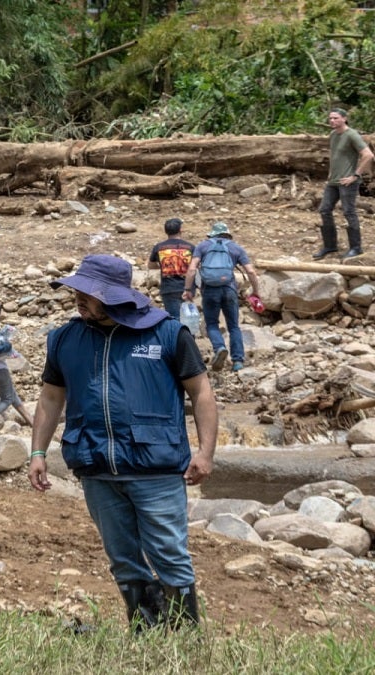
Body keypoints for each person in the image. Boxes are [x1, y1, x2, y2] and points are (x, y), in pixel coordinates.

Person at [29, 254, 217, 632]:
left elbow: (201, 393)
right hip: (96, 467)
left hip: (157, 468)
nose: (78, 299)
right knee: (123, 558)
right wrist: (37, 452)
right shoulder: (65, 339)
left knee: (168, 554)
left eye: (88, 293)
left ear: (114, 296)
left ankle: (184, 639)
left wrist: (206, 452)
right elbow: (51, 398)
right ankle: (147, 633)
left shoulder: (166, 333)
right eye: (77, 291)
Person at [182, 222, 262, 373]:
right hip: (229, 290)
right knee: (233, 326)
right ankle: (238, 361)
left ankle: (219, 348)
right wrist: (256, 291)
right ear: (228, 234)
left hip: (210, 290)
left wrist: (187, 289)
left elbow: (192, 269)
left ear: (212, 234)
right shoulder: (236, 248)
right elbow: (251, 272)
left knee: (211, 324)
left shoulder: (202, 246)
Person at [316, 108, 373, 259]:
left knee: (349, 212)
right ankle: (330, 245)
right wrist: (330, 172)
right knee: (324, 209)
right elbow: (333, 154)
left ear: (344, 119)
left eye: (335, 118)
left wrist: (355, 175)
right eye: (330, 118)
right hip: (334, 181)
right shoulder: (333, 135)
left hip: (348, 182)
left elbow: (368, 155)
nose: (332, 121)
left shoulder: (352, 135)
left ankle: (356, 247)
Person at [147, 217, 195, 318]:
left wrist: (164, 267)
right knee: (189, 318)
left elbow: (151, 265)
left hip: (169, 288)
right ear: (180, 229)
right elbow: (195, 267)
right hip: (188, 287)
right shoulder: (190, 247)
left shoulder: (159, 247)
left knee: (174, 319)